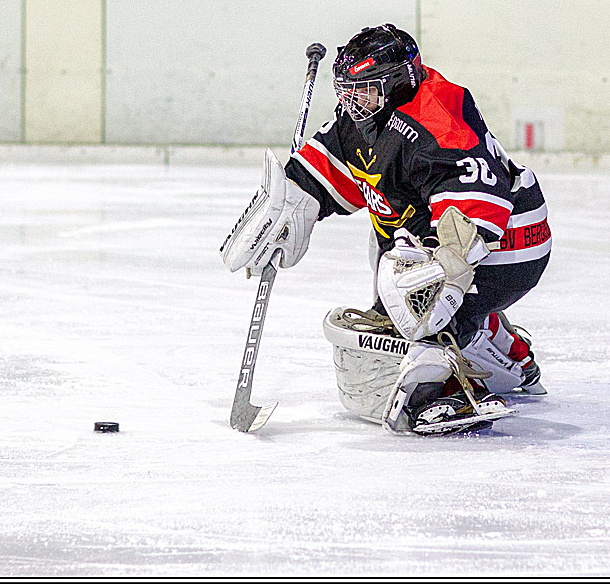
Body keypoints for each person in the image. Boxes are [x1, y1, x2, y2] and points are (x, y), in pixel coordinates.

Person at [220, 25, 551, 436]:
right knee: (390, 324)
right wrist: (288, 206)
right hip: (422, 237)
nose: (352, 102)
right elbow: (324, 172)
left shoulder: (439, 115)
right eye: (347, 91)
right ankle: (508, 354)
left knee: (417, 303)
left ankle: (445, 389)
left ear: (399, 83)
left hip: (508, 241)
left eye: (365, 90)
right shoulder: (366, 117)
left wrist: (443, 272)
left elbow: (472, 209)